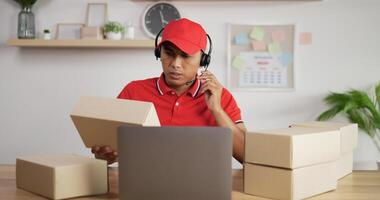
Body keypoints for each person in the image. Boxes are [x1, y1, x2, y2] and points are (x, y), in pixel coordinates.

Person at [91, 18, 246, 164]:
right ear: (159, 53)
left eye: (185, 56)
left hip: (203, 185)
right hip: (145, 184)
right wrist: (106, 156)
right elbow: (110, 152)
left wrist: (217, 110)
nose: (176, 64)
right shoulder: (133, 92)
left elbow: (247, 156)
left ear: (203, 60)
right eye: (169, 53)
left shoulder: (220, 96)